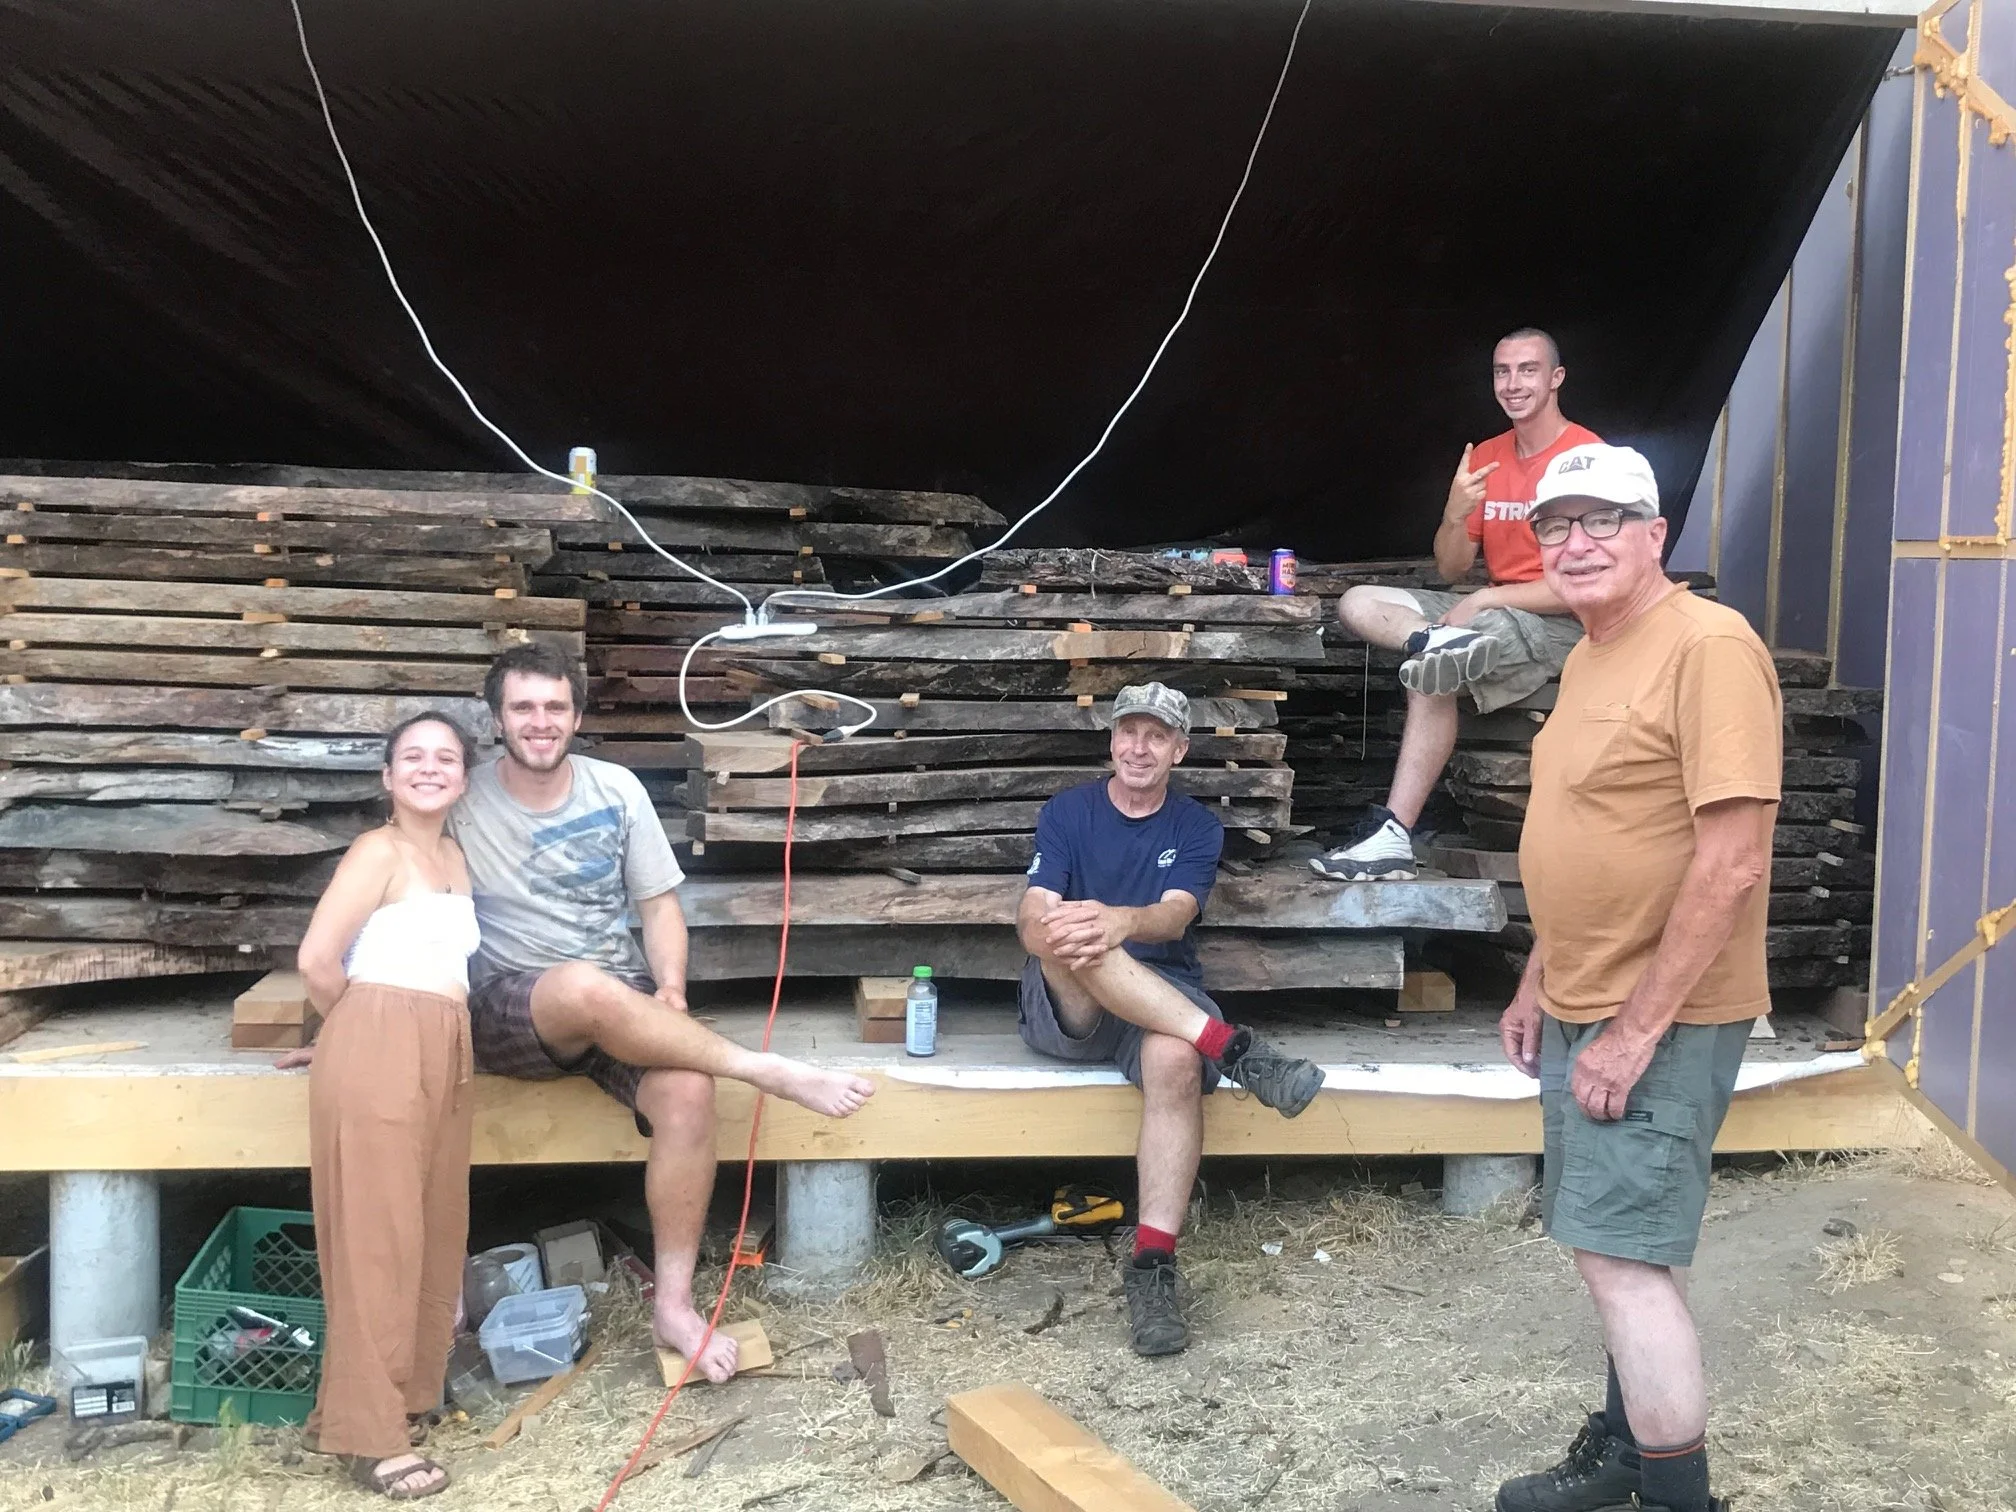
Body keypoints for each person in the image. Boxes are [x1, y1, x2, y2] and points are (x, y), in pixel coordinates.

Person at [453, 643, 874, 1382]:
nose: (540, 722)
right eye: (523, 708)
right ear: (496, 719)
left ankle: (674, 1304)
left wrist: (672, 989)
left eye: (554, 707)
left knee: (687, 1088)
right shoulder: (463, 798)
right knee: (583, 986)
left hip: (615, 1000)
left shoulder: (615, 789)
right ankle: (764, 1069)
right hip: (511, 1007)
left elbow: (657, 906)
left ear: (577, 715)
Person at [1494, 443, 1777, 1512]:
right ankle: (1626, 1448)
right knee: (1622, 1250)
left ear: (1657, 535)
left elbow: (1734, 857)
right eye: (1557, 526)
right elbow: (1587, 830)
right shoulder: (1588, 654)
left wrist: (1634, 1031)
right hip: (1581, 996)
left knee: (1619, 1258)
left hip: (1658, 1011)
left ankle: (1674, 1496)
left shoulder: (1708, 646)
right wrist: (1537, 980)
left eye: (1603, 521)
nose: (1577, 543)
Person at [1017, 681, 1327, 1358]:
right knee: (1069, 934)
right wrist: (1090, 927)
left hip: (1162, 999)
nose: (1138, 747)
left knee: (1176, 1059)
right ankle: (1234, 1047)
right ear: (1111, 740)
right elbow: (1031, 921)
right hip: (1073, 1007)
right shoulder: (1068, 813)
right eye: (1129, 731)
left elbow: (1177, 913)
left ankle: (1152, 1269)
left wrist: (1124, 919)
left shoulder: (1195, 825)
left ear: (1178, 749)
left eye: (1156, 736)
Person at [1314, 328, 1597, 880]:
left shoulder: (1585, 459)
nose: (1513, 384)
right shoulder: (1488, 456)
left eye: (1528, 370)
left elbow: (1582, 585)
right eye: (1502, 371)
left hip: (1559, 625)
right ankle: (1431, 638)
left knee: (1436, 667)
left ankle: (1393, 834)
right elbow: (1450, 569)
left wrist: (1489, 597)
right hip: (1489, 614)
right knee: (1357, 600)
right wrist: (1453, 511)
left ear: (1556, 378)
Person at [291, 712, 484, 1500]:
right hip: (381, 1034)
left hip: (446, 1040)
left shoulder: (455, 855)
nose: (430, 768)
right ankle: (369, 1438)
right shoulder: (378, 850)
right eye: (413, 757)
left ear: (464, 778)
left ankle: (402, 1398)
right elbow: (316, 960)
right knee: (378, 1238)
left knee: (436, 1226)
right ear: (387, 775)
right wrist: (355, 1035)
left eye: (446, 758)